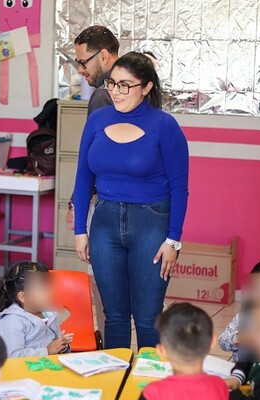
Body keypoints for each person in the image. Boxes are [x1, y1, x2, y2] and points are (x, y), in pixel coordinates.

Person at [73, 51, 189, 349]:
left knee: (149, 317)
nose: (115, 91)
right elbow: (84, 176)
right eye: (112, 83)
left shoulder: (164, 125)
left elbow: (179, 188)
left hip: (152, 224)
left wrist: (173, 241)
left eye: (126, 85)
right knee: (114, 316)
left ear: (147, 87)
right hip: (105, 223)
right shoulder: (98, 119)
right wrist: (79, 231)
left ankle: (149, 389)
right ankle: (116, 385)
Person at [65, 25, 119, 231]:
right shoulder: (138, 87)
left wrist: (76, 202)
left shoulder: (104, 94)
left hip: (106, 200)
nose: (80, 70)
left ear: (103, 55)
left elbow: (95, 156)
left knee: (98, 263)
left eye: (83, 62)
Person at [0, 262, 73, 358]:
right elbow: (13, 356)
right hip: (24, 370)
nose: (49, 292)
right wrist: (47, 351)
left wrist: (62, 345)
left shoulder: (50, 314)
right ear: (23, 297)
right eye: (42, 289)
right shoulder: (12, 321)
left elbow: (55, 347)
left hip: (48, 366)